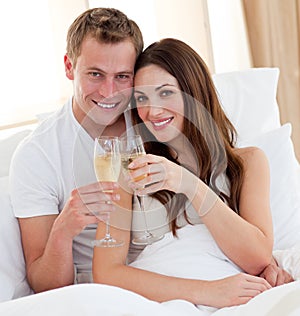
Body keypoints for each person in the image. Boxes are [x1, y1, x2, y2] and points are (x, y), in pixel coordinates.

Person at [92, 38, 293, 309]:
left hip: (234, 299)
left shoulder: (248, 163)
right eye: (142, 98)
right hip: (164, 304)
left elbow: (257, 256)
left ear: (193, 93)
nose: (152, 111)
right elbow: (106, 273)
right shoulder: (130, 170)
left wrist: (188, 183)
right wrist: (207, 292)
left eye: (165, 93)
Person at [9, 7, 144, 293]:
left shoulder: (154, 118)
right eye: (95, 74)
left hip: (175, 267)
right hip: (101, 291)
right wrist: (63, 230)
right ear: (69, 67)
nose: (109, 92)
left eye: (122, 77)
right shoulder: (38, 155)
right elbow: (44, 282)